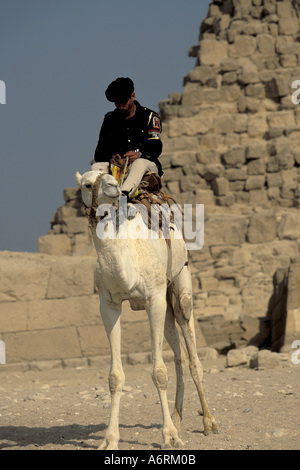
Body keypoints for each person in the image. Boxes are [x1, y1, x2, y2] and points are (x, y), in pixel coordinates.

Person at [93, 77, 163, 198]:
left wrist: (141, 154)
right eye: (117, 103)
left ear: (133, 96)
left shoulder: (150, 116)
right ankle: (96, 205)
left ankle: (123, 197)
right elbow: (99, 153)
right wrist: (111, 158)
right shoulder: (110, 119)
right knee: (95, 167)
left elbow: (156, 147)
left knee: (139, 163)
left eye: (123, 101)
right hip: (118, 168)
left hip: (146, 165)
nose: (120, 106)